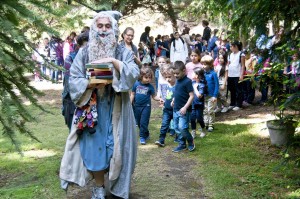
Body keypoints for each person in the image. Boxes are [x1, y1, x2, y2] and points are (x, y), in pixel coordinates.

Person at [59, 11, 140, 199]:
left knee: (116, 148)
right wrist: (90, 84)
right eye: (100, 26)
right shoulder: (84, 52)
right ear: (94, 28)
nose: (103, 30)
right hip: (92, 108)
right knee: (94, 149)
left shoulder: (122, 51)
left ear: (113, 29)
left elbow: (134, 71)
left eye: (107, 26)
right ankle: (98, 188)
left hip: (117, 107)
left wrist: (113, 62)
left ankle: (114, 183)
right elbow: (74, 80)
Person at [130, 67, 160, 145]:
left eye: (150, 78)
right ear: (141, 76)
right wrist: (130, 102)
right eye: (146, 77)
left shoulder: (150, 87)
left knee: (144, 122)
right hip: (137, 106)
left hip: (146, 107)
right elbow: (132, 94)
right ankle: (146, 133)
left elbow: (154, 96)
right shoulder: (136, 84)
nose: (148, 79)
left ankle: (142, 137)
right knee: (139, 123)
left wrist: (160, 99)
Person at [172, 61, 195, 152]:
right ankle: (182, 144)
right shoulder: (177, 81)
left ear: (184, 71)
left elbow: (192, 96)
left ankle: (190, 141)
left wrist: (185, 107)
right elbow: (177, 93)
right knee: (176, 127)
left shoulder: (187, 81)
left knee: (182, 127)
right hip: (176, 109)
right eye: (174, 73)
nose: (175, 75)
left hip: (184, 110)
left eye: (177, 73)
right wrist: (173, 100)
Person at [155, 66, 176, 147]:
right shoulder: (167, 85)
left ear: (174, 75)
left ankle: (179, 138)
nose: (167, 79)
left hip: (175, 110)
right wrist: (162, 100)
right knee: (164, 125)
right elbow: (166, 96)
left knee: (177, 126)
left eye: (169, 77)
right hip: (167, 109)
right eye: (166, 77)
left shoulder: (177, 86)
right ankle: (161, 140)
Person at [202, 55, 219, 132]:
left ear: (210, 64)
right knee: (205, 110)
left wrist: (215, 95)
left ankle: (211, 124)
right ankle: (205, 123)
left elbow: (216, 85)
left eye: (205, 64)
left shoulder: (213, 74)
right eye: (202, 64)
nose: (203, 66)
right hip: (204, 95)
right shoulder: (203, 74)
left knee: (210, 110)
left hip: (211, 96)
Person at [227, 40, 245, 111]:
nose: (230, 48)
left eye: (231, 46)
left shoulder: (241, 54)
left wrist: (241, 75)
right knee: (232, 89)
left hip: (237, 74)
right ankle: (232, 103)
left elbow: (243, 66)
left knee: (239, 90)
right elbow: (228, 64)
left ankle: (239, 104)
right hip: (230, 74)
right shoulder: (230, 54)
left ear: (236, 46)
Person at [190, 67, 207, 138]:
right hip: (192, 104)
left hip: (199, 105)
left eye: (193, 73)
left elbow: (199, 96)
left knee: (199, 118)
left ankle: (203, 130)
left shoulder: (202, 85)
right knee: (192, 118)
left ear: (197, 75)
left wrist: (194, 87)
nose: (191, 74)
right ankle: (193, 131)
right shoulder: (192, 83)